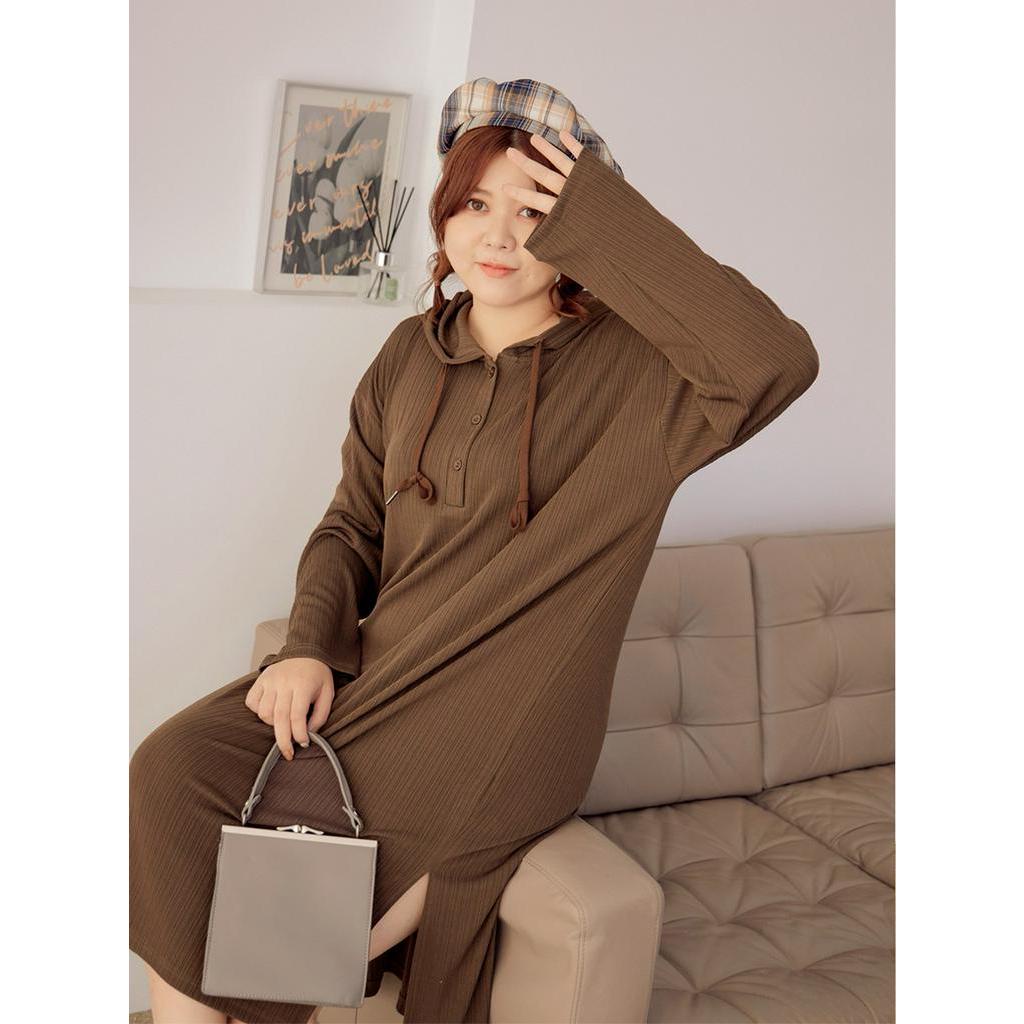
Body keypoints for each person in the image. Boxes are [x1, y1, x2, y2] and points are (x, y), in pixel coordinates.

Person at [130, 76, 820, 1024]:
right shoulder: (409, 354)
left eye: (535, 213)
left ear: (580, 230)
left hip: (518, 701)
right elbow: (351, 524)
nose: (498, 237)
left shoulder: (644, 373)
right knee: (170, 770)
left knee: (291, 939)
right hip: (390, 669)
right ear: (444, 215)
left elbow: (776, 360)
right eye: (475, 205)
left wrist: (606, 218)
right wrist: (306, 645)